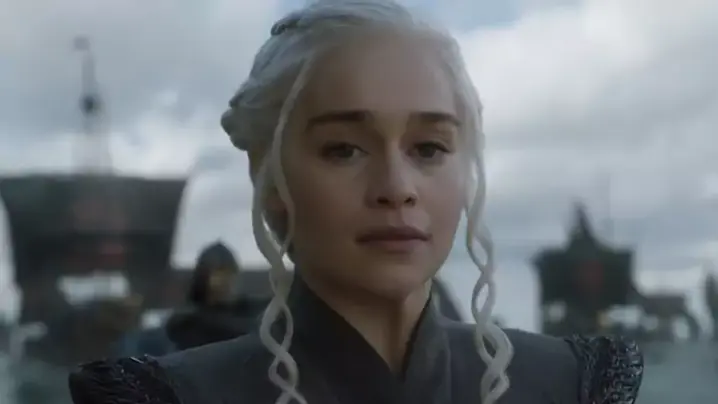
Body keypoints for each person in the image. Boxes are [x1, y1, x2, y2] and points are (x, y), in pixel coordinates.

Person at [67, 1, 644, 404]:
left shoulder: (568, 385)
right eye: (343, 149)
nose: (397, 186)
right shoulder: (173, 396)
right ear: (269, 177)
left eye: (428, 148)